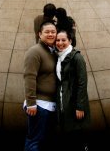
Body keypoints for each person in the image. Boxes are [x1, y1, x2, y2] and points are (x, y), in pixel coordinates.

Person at [23, 21, 58, 151]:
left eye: (53, 32)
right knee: (35, 141)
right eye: (47, 32)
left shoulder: (52, 51)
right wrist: (31, 103)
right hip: (39, 105)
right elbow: (29, 77)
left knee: (47, 141)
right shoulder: (34, 52)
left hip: (51, 105)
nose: (50, 34)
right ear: (39, 34)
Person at [55, 29, 90, 151]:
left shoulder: (77, 57)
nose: (60, 43)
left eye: (63, 40)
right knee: (68, 137)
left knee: (78, 137)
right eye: (57, 40)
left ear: (70, 40)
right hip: (64, 103)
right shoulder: (59, 57)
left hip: (74, 103)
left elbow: (82, 83)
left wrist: (80, 106)